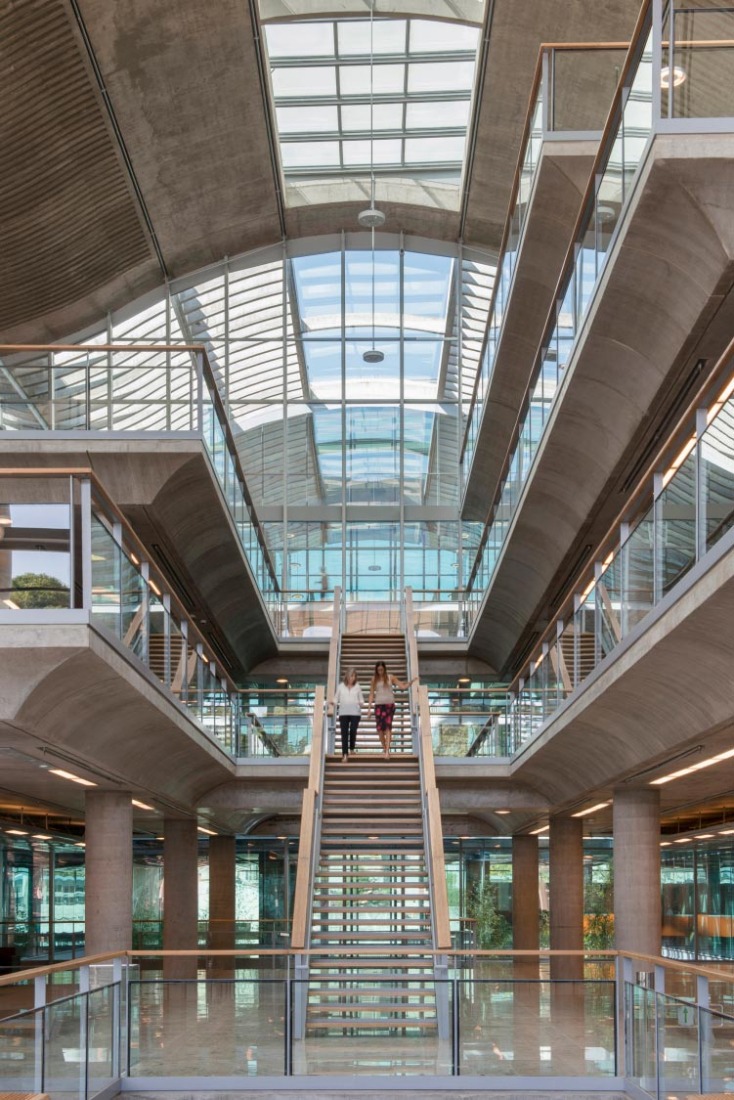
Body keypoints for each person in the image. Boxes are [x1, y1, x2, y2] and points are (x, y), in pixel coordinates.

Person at [368, 661, 417, 757]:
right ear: (376, 670)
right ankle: (384, 747)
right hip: (379, 705)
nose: (380, 671)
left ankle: (387, 751)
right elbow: (371, 694)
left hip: (389, 705)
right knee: (379, 729)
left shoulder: (391, 677)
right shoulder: (374, 679)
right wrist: (369, 708)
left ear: (385, 669)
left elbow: (402, 686)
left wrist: (412, 681)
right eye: (378, 670)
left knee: (388, 727)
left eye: (382, 669)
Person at [332, 666, 364, 762]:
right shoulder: (340, 686)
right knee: (344, 733)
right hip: (343, 713)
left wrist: (360, 703)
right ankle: (345, 754)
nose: (352, 678)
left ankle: (352, 748)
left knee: (353, 730)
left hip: (355, 713)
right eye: (350, 676)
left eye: (353, 676)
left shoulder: (358, 686)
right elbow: (336, 698)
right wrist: (332, 702)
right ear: (347, 676)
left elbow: (362, 699)